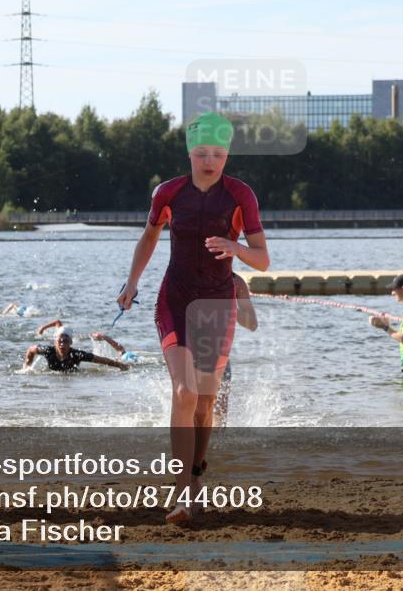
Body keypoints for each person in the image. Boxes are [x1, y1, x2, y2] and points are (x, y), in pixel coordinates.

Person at [117, 111, 269, 525]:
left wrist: (235, 249)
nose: (210, 161)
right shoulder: (168, 193)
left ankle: (196, 479)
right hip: (176, 299)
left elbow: (263, 259)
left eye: (218, 154)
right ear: (189, 152)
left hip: (218, 306)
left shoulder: (241, 196)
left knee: (204, 404)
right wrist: (132, 283)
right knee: (184, 392)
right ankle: (182, 491)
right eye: (202, 153)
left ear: (227, 155)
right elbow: (149, 236)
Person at [213, 273, 259, 428]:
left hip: (222, 355)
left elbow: (252, 324)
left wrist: (230, 307)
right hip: (191, 350)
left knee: (220, 414)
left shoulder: (236, 282)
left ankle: (218, 447)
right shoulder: (192, 273)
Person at [22, 326, 129, 372]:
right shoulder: (48, 351)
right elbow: (31, 350)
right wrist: (27, 366)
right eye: (60, 341)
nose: (62, 344)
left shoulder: (77, 355)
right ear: (55, 342)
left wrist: (120, 365)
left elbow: (101, 360)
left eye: (66, 341)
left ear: (71, 343)